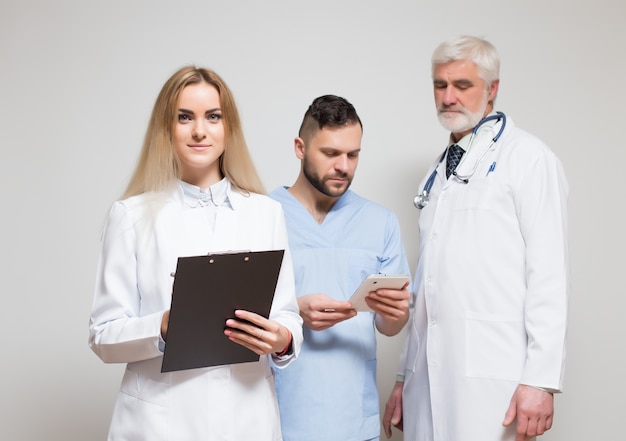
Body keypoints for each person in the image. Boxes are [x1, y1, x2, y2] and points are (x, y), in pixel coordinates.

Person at [88, 66, 303, 441]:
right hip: (161, 423)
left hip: (247, 418)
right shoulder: (131, 216)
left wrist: (282, 338)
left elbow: (286, 312)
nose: (199, 130)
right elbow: (102, 335)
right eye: (184, 117)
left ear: (228, 127)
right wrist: (163, 326)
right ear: (165, 129)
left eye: (213, 117)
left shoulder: (266, 213)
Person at [382, 35, 569, 441]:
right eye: (440, 85)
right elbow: (427, 283)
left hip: (495, 377)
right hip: (427, 378)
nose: (448, 97)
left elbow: (549, 274)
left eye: (462, 85)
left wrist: (541, 380)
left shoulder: (528, 159)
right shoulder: (437, 175)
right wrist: (403, 375)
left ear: (492, 89)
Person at [270, 95, 411, 441]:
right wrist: (294, 311)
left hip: (352, 421)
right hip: (277, 417)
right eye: (330, 153)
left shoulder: (381, 223)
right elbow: (236, 316)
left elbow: (391, 327)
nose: (344, 166)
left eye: (353, 154)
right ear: (300, 148)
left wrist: (395, 313)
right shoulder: (262, 216)